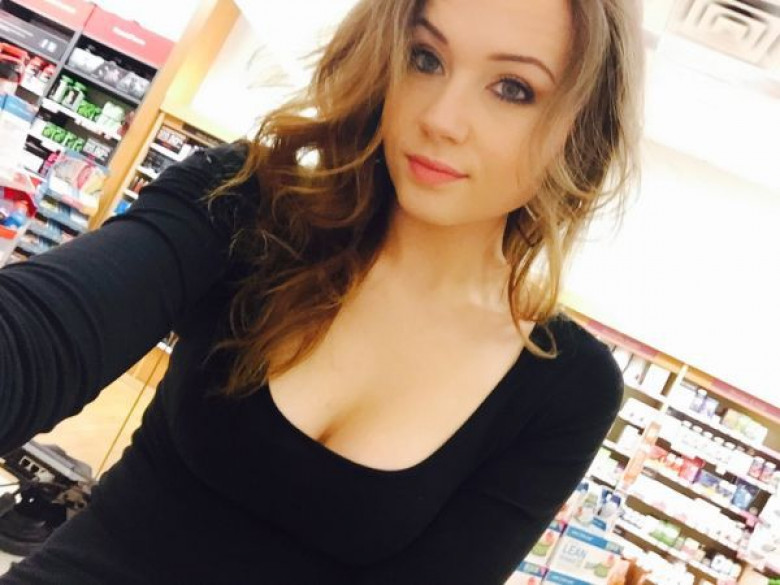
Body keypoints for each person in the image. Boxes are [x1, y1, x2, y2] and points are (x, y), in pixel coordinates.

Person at [0, 0, 643, 582]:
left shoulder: (563, 388)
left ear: (581, 127)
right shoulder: (246, 203)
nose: (441, 119)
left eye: (513, 88)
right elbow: (45, 333)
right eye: (425, 58)